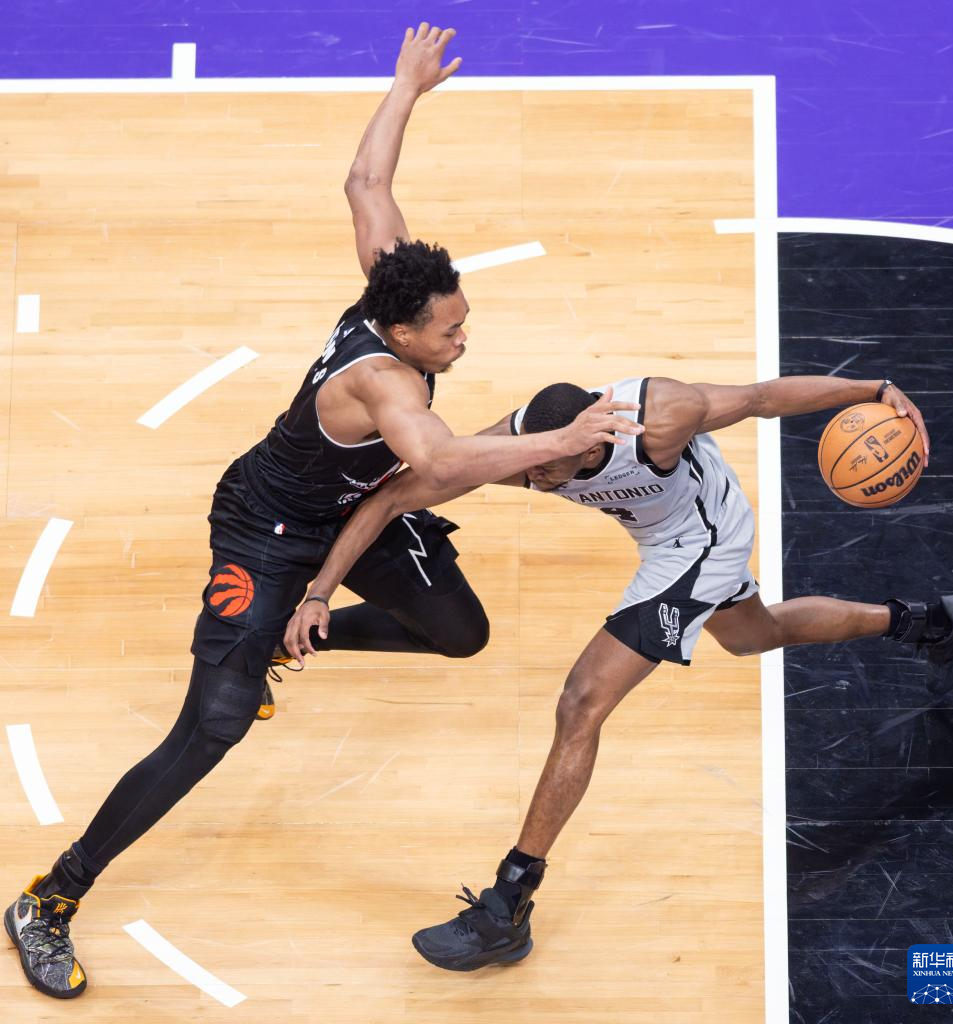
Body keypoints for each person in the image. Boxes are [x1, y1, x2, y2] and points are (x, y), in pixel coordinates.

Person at [4, 25, 644, 1000]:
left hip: (354, 513)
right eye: (450, 330)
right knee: (212, 728)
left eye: (463, 318)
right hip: (264, 531)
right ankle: (51, 897)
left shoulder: (391, 285)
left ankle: (284, 638)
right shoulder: (388, 385)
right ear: (402, 332)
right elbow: (438, 460)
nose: (463, 337)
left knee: (459, 632)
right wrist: (557, 437)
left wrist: (405, 88)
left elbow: (365, 182)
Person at [280, 372, 953, 971]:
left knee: (580, 703)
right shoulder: (528, 443)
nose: (532, 475)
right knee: (754, 635)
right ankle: (933, 621)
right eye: (531, 460)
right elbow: (398, 496)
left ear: (592, 445)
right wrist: (319, 591)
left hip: (704, 542)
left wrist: (873, 389)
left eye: (548, 468)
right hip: (662, 538)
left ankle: (507, 906)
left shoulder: (661, 416)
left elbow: (760, 397)